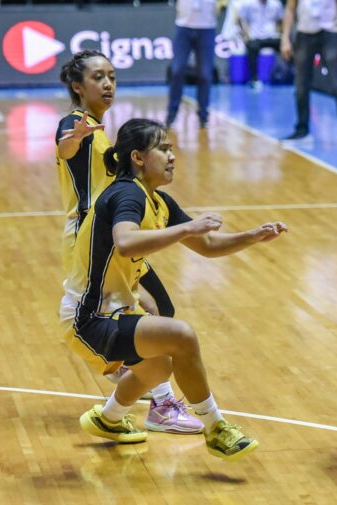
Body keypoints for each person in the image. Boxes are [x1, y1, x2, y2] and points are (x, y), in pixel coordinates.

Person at [61, 118, 288, 456]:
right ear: (138, 157)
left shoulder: (159, 201)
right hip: (88, 317)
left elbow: (208, 245)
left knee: (159, 366)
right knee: (181, 336)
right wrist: (187, 229)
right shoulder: (127, 193)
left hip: (112, 311)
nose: (172, 156)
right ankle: (216, 428)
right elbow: (125, 241)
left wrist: (252, 236)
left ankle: (108, 418)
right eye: (163, 148)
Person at [56, 50, 203, 435]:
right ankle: (159, 399)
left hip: (115, 232)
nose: (107, 84)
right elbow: (65, 146)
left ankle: (140, 383)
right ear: (77, 86)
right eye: (97, 77)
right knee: (140, 314)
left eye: (112, 77)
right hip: (94, 239)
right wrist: (71, 142)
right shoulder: (77, 122)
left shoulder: (101, 130)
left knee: (161, 308)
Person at [280, 0, 337, 148]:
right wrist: (285, 38)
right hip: (304, 34)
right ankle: (302, 130)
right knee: (301, 87)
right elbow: (290, 8)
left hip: (330, 33)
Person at [166, 0, 218, 129]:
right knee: (177, 70)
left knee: (205, 74)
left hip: (207, 28)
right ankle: (172, 113)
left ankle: (203, 115)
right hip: (184, 27)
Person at [236, 0, 285, 90]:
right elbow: (239, 18)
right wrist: (245, 35)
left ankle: (288, 75)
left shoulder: (276, 4)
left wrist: (281, 34)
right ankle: (254, 79)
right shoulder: (248, 4)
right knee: (251, 47)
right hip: (255, 37)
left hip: (272, 36)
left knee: (286, 46)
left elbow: (281, 20)